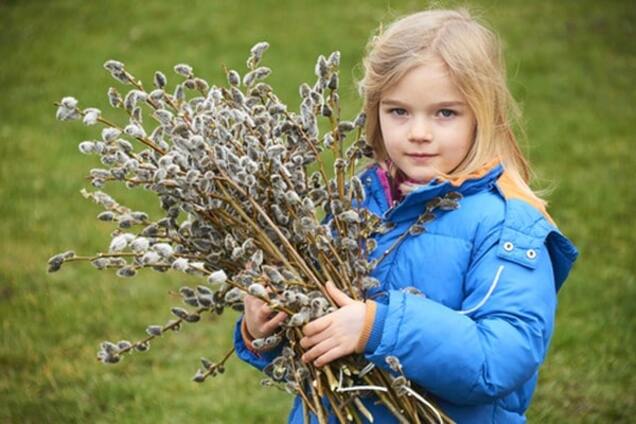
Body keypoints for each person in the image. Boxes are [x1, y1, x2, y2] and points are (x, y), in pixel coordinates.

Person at [234, 8, 578, 423]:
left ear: (482, 115)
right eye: (399, 111)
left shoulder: (506, 225)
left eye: (445, 113)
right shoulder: (352, 204)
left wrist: (377, 328)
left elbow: (499, 360)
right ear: (374, 111)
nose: (418, 132)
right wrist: (264, 332)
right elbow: (311, 355)